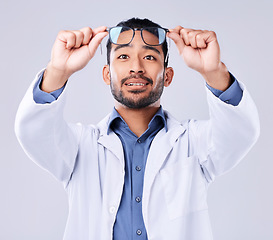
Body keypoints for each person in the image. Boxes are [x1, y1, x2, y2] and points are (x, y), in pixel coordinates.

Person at [15, 18, 260, 240]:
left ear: (168, 76)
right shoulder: (80, 147)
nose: (136, 67)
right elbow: (35, 131)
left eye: (150, 57)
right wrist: (58, 71)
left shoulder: (192, 143)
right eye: (123, 57)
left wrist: (214, 72)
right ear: (106, 74)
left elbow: (241, 131)